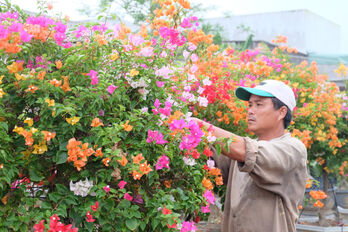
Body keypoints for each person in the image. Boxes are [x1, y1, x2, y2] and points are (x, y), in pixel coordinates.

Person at [193, 80, 308, 232]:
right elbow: (212, 163)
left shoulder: (292, 149)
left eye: (259, 105)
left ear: (282, 112)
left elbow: (249, 152)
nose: (251, 111)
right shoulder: (240, 151)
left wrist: (199, 126)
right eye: (250, 105)